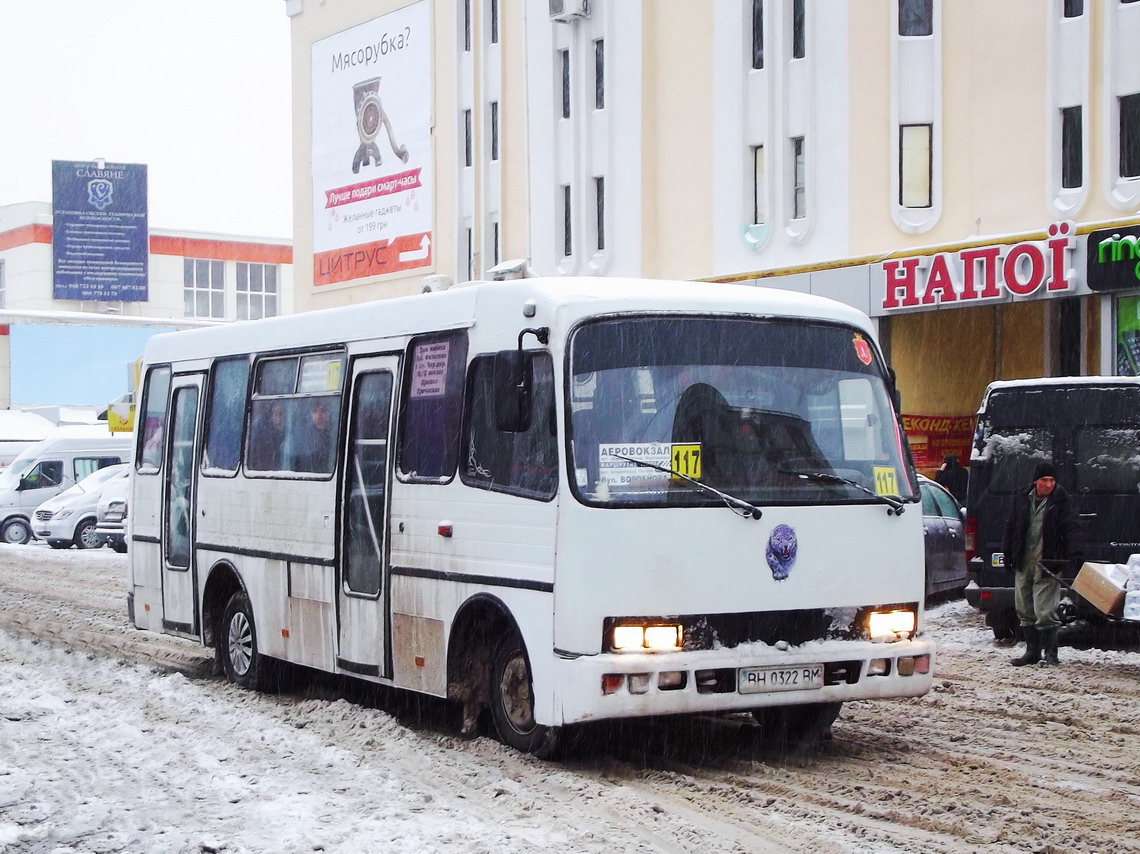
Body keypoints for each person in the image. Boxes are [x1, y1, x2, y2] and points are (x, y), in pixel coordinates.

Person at [1002, 460, 1080, 667]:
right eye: (1045, 480)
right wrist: (1007, 552)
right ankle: (1032, 652)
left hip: (1048, 561)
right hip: (1023, 560)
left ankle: (1051, 654)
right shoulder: (1021, 498)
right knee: (1024, 610)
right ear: (1036, 480)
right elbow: (1010, 526)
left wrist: (1073, 552)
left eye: (1052, 480)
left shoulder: (1062, 501)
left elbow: (1072, 527)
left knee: (1045, 611)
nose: (1049, 484)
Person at [293, 398, 336, 473]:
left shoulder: (334, 434)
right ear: (311, 414)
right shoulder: (306, 436)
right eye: (315, 412)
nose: (319, 416)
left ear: (328, 413)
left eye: (323, 411)